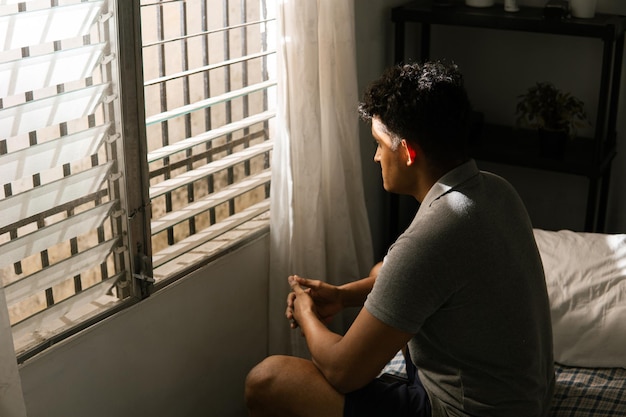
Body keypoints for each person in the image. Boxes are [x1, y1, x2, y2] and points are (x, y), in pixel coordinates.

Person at [244, 61, 555, 417]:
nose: (376, 156)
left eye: (378, 143)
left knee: (266, 380)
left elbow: (343, 371)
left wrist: (306, 311)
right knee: (385, 267)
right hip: (530, 401)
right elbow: (405, 273)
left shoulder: (432, 239)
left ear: (407, 152)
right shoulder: (497, 190)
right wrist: (344, 296)